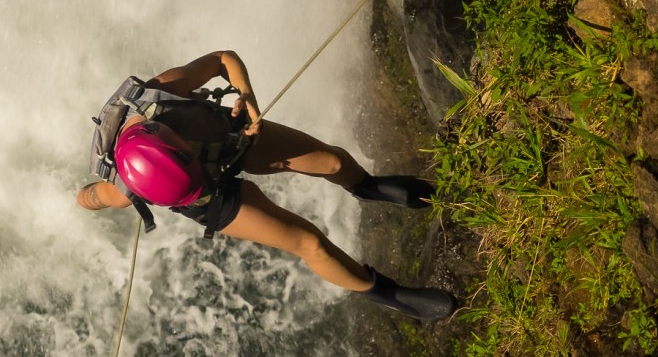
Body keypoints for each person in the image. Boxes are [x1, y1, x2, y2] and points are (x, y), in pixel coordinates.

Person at [77, 49, 457, 320]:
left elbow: (222, 59)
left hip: (226, 137)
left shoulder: (163, 94)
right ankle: (384, 292)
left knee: (333, 161)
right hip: (209, 198)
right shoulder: (125, 191)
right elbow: (89, 197)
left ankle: (367, 186)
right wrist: (83, 198)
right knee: (310, 244)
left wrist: (247, 96)